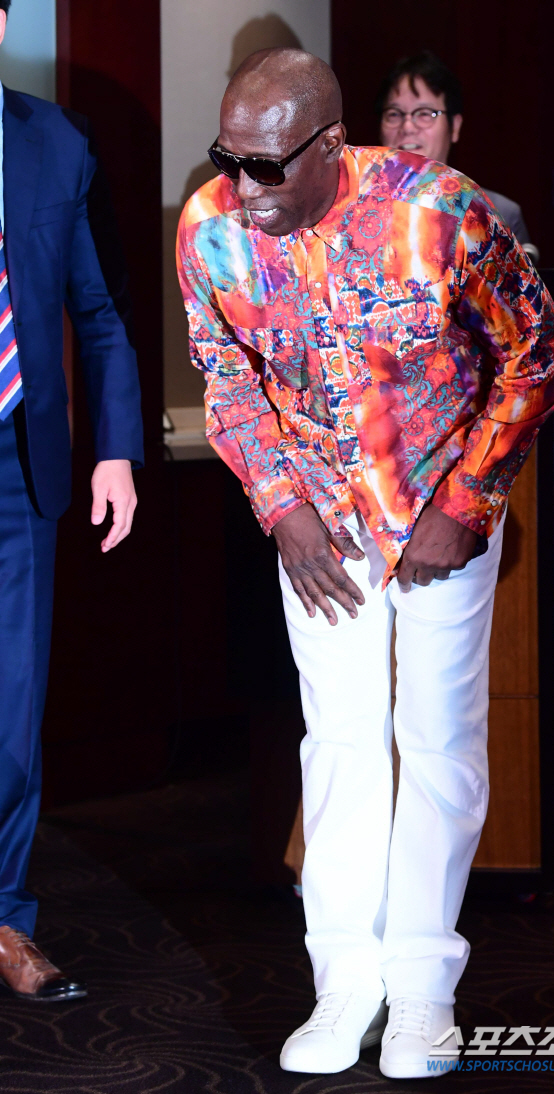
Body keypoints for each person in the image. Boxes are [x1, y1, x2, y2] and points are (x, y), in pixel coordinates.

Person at [177, 48, 554, 1079]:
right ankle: (344, 983)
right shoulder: (210, 227)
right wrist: (282, 508)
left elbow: (537, 355)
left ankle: (423, 990)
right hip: (320, 534)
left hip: (436, 517)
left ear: (328, 145)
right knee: (342, 747)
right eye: (228, 158)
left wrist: (468, 499)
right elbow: (226, 381)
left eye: (267, 165)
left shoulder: (438, 211)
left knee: (437, 742)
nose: (242, 187)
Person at [0, 0, 142, 1001]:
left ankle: (6, 918)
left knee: (12, 712)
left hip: (22, 464)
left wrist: (116, 451)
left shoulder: (57, 143)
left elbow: (97, 311)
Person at [378, 50, 539, 261]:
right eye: (394, 114)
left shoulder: (498, 212)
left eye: (425, 113)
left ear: (454, 126)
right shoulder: (355, 210)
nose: (407, 127)